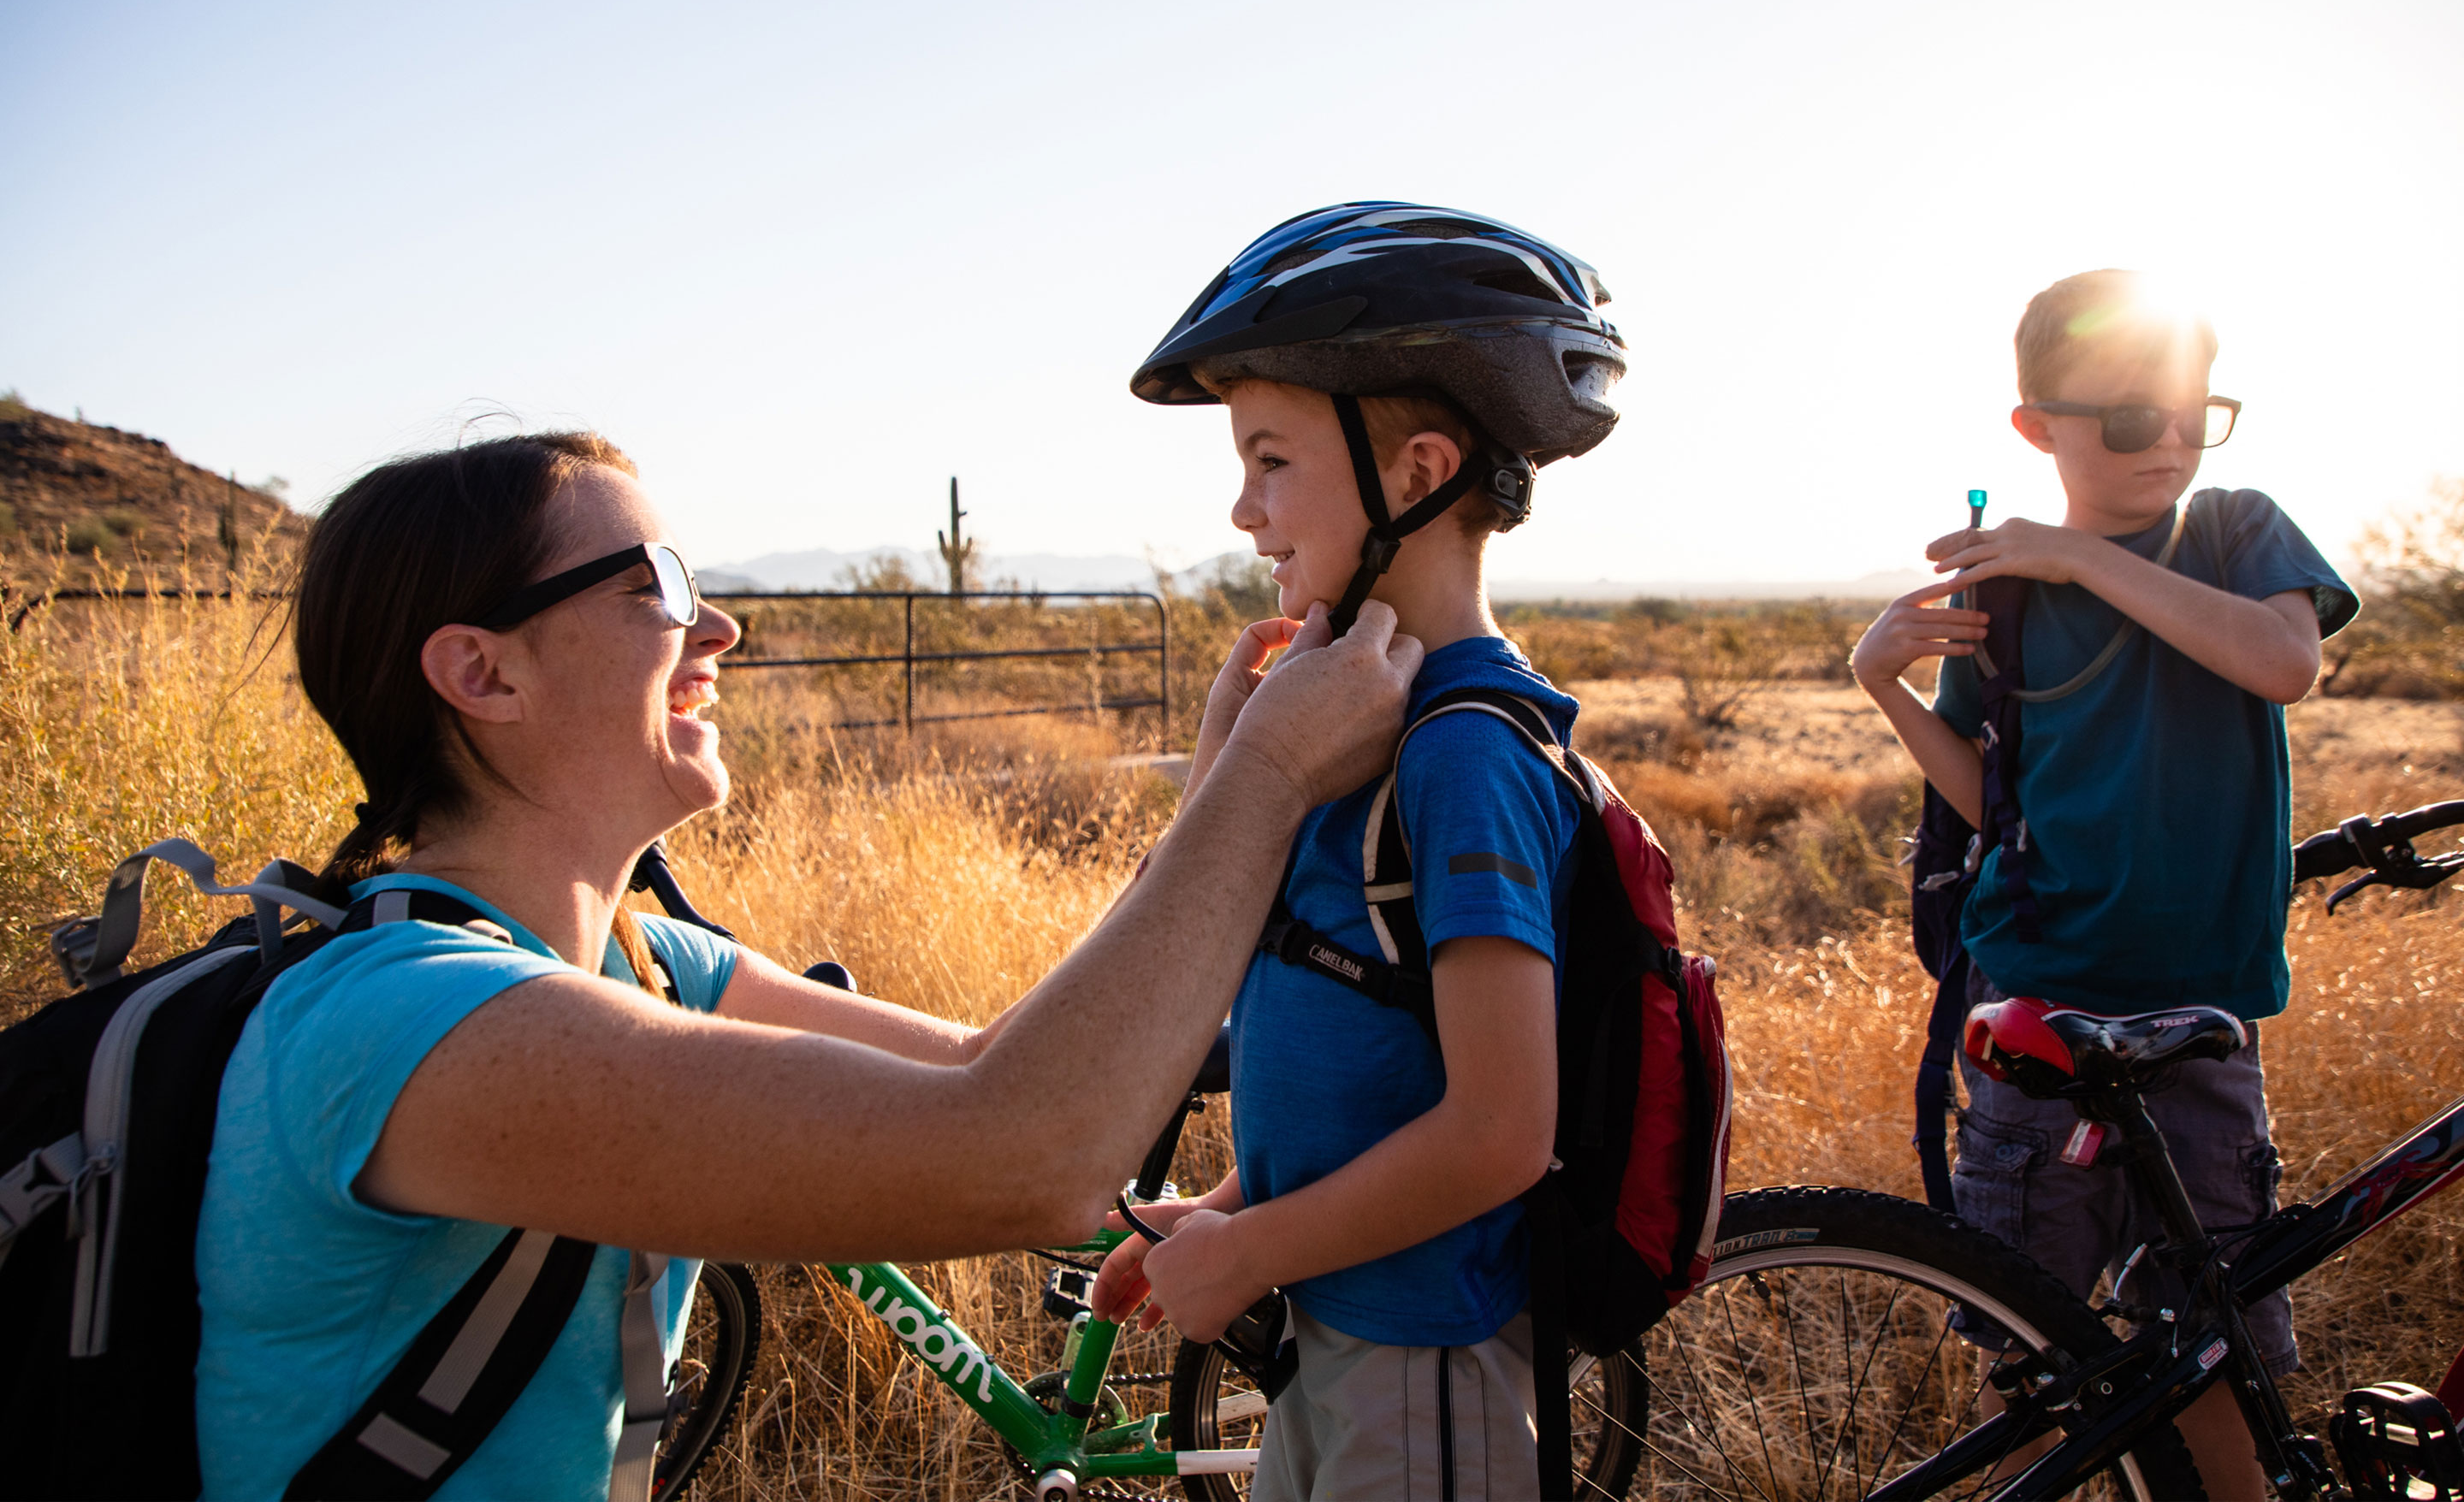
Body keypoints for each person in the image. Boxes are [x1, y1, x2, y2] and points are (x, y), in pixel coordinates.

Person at [191, 430, 1422, 1499]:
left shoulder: (645, 965)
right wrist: (1266, 782)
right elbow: (1028, 1154)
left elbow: (993, 1066)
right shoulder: (405, 1022)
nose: (718, 626)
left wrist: (1212, 781)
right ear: (484, 671)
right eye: (655, 587)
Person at [1088, 202, 1629, 1500]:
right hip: (1341, 1345)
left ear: (1411, 473)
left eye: (1271, 460)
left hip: (1422, 1363)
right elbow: (1375, 1056)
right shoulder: (1368, 732)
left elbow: (1502, 1131)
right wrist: (1228, 1214)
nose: (1242, 508)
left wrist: (1258, 1247)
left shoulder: (1466, 755)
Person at [1849, 269, 2358, 1496]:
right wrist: (1884, 688)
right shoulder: (2006, 595)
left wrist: (2077, 556)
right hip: (2040, 1004)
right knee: (2029, 1366)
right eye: (2133, 419)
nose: (2172, 442)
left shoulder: (2236, 531)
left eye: (2196, 413)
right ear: (2038, 428)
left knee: (2222, 1356)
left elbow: (2284, 662)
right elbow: (1997, 800)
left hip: (2199, 1018)